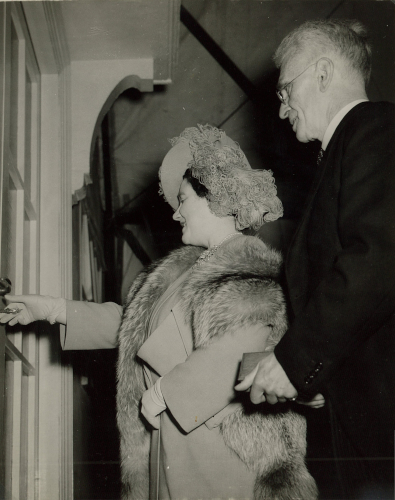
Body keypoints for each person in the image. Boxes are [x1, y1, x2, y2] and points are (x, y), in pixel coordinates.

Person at [1, 125, 320, 499]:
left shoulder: (253, 268)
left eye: (183, 199)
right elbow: (135, 327)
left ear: (214, 197)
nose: (175, 214)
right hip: (168, 445)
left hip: (219, 458)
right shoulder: (184, 270)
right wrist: (52, 309)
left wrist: (166, 392)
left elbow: (239, 346)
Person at [235, 19, 395, 497]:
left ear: (323, 73)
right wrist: (321, 377)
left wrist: (295, 361)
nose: (282, 109)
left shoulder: (376, 128)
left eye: (286, 90)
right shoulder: (344, 153)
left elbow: (378, 260)